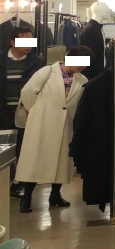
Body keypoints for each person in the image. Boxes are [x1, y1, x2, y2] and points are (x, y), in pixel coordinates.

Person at [16, 45, 91, 213]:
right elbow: (27, 93)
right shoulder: (47, 72)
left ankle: (55, 195)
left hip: (65, 126)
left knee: (61, 163)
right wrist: (36, 112)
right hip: (42, 123)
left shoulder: (82, 80)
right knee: (35, 161)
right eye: (81, 62)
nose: (83, 67)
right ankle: (27, 197)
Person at [2, 28, 44, 198]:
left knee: (23, 149)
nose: (28, 45)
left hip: (26, 113)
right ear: (12, 42)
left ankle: (18, 183)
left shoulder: (38, 62)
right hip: (2, 112)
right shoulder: (1, 59)